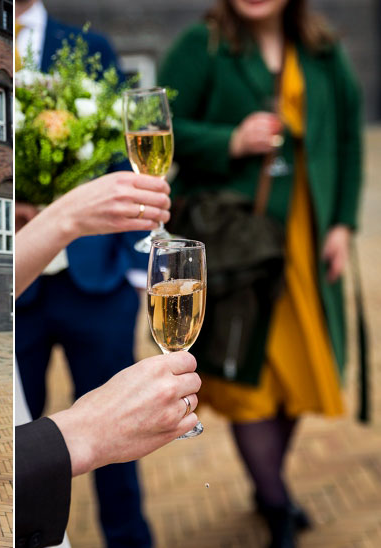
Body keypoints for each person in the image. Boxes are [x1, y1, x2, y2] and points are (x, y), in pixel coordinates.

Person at [159, 0, 362, 544]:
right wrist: (230, 140)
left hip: (306, 238)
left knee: (299, 373)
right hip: (239, 242)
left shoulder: (323, 50)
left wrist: (342, 223)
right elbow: (158, 128)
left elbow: (348, 140)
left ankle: (268, 486)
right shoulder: (200, 47)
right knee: (246, 373)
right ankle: (274, 501)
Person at [15, 1, 155, 545]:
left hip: (96, 283)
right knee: (19, 439)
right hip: (16, 293)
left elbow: (131, 156)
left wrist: (133, 266)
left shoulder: (89, 49)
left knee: (123, 432)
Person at [14, 171, 202, 547]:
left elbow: (137, 168)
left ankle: (128, 538)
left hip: (99, 286)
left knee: (126, 421)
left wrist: (141, 273)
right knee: (17, 429)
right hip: (20, 293)